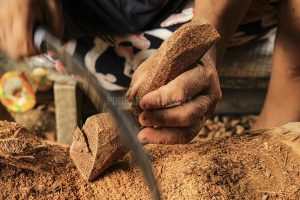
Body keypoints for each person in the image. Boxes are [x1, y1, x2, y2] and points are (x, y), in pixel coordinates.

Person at [0, 0, 299, 145]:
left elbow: (203, 32)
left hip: (207, 13)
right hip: (59, 30)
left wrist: (204, 37)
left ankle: (275, 125)